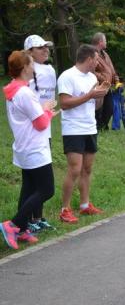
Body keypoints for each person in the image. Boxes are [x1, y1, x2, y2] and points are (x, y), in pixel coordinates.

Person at [0, 51, 58, 249]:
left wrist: (43, 110)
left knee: (29, 189)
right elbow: (41, 123)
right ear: (25, 67)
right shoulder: (25, 93)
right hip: (35, 148)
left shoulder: (14, 90)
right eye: (32, 63)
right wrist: (48, 109)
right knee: (47, 189)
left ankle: (22, 230)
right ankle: (14, 224)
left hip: (24, 147)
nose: (34, 67)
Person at [57, 44, 109, 223]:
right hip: (73, 129)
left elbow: (96, 106)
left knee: (87, 169)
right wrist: (89, 95)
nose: (97, 63)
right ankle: (65, 209)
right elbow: (64, 103)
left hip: (90, 127)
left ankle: (85, 205)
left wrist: (100, 94)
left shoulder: (92, 77)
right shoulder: (67, 76)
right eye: (96, 59)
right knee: (74, 169)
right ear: (88, 59)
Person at [24, 34, 57, 232]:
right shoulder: (26, 71)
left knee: (43, 174)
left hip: (47, 129)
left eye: (47, 47)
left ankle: (38, 217)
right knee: (34, 179)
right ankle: (27, 219)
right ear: (29, 52)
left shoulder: (50, 69)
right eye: (40, 48)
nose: (45, 50)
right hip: (32, 131)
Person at [91, 32, 119, 131]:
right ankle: (98, 127)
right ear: (100, 42)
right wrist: (103, 78)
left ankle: (103, 125)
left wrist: (117, 81)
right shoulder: (91, 54)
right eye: (105, 40)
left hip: (108, 87)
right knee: (98, 109)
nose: (106, 42)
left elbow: (111, 69)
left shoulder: (105, 54)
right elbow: (91, 71)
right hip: (98, 86)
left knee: (110, 108)